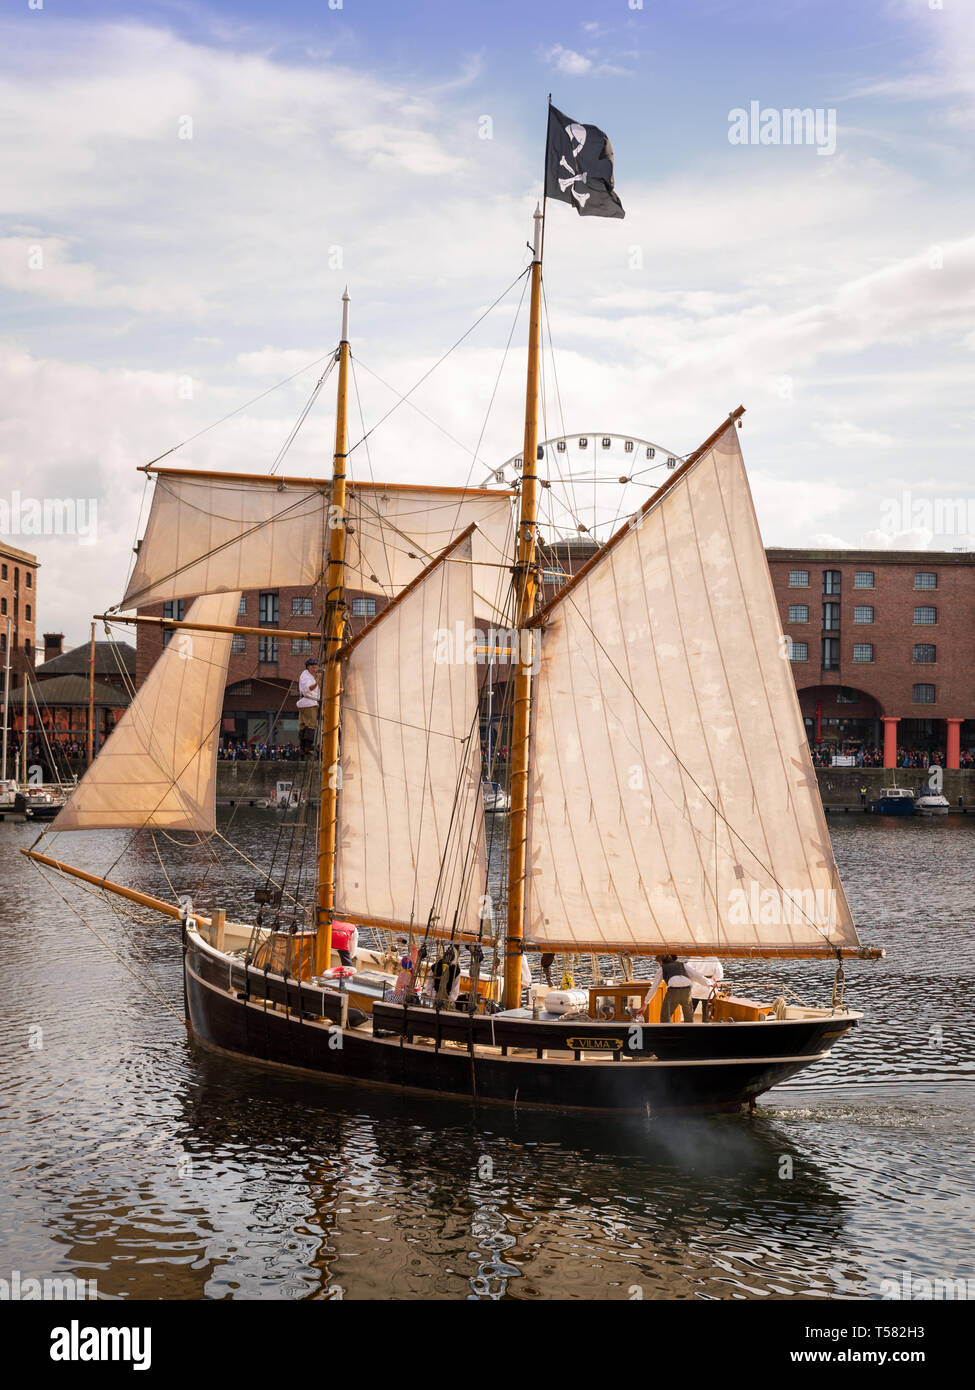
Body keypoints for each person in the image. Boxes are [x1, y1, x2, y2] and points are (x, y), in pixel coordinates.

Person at [634, 954, 712, 1023]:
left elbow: (654, 987)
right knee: (689, 1018)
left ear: (661, 961)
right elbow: (697, 976)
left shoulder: (662, 968)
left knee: (665, 1017)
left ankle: (667, 1035)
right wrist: (710, 984)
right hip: (687, 991)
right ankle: (689, 1034)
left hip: (673, 992)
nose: (659, 965)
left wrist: (645, 1003)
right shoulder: (682, 965)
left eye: (659, 963)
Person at [686, 956, 723, 1021]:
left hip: (695, 987)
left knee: (690, 1011)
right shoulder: (714, 959)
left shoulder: (693, 958)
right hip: (709, 988)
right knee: (706, 1013)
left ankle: (687, 1026)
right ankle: (705, 1027)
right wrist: (715, 979)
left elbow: (688, 971)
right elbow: (719, 973)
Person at [296, 657, 320, 758]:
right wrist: (318, 681)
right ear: (308, 667)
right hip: (309, 703)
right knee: (311, 725)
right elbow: (309, 688)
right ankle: (308, 747)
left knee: (304, 726)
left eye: (316, 667)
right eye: (313, 667)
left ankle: (303, 748)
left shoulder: (308, 675)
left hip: (307, 703)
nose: (315, 669)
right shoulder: (306, 676)